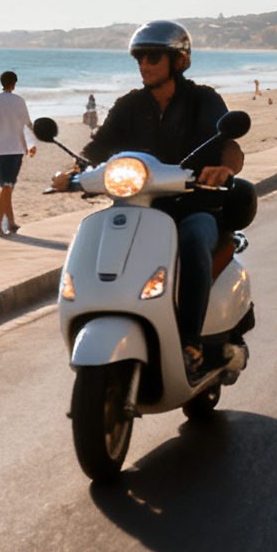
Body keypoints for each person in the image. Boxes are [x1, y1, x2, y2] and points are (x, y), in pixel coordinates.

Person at [80, 21, 250, 384]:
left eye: (153, 56)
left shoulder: (203, 100)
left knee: (191, 240)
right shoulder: (129, 105)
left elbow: (230, 147)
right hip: (139, 207)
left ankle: (189, 342)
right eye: (139, 57)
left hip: (195, 206)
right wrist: (74, 170)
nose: (144, 64)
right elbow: (97, 149)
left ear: (178, 60)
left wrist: (222, 168)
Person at [0, 71, 36, 236]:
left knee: (7, 186)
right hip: (15, 148)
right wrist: (32, 144)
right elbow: (28, 125)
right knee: (7, 186)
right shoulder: (19, 101)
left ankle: (10, 222)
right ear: (14, 83)